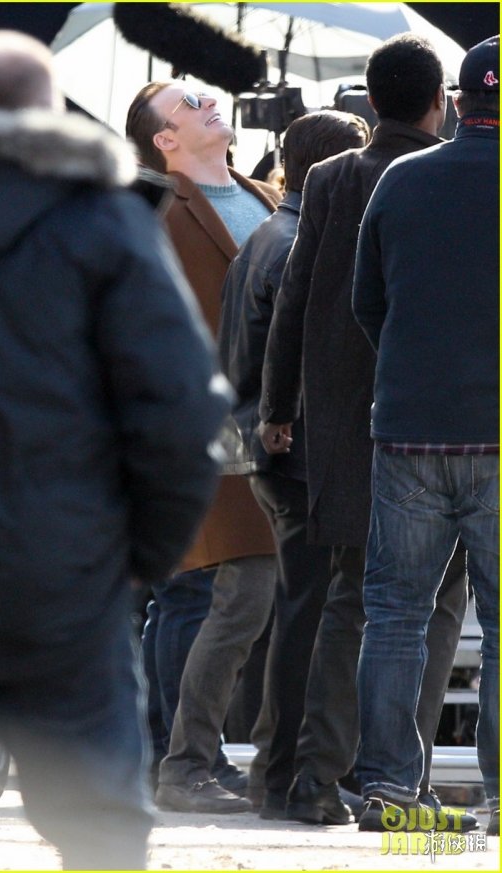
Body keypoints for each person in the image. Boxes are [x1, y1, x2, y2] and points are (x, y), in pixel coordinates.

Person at [0, 31, 231, 870]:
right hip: (62, 566)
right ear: (49, 111)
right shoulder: (102, 221)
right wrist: (141, 553)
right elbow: (179, 407)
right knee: (99, 824)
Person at [259, 34, 475, 829]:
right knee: (436, 609)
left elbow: (297, 299)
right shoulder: (454, 176)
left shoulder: (332, 178)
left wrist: (277, 408)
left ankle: (317, 780)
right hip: (447, 420)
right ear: (440, 100)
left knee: (353, 603)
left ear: (373, 101)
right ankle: (402, 788)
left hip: (348, 422)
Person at [352, 35, 499, 835]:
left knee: (396, 615)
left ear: (459, 100)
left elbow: (367, 302)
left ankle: (387, 788)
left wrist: (415, 372)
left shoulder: (403, 178)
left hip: (411, 428)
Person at [126, 82, 280, 814]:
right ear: (164, 139)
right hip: (192, 416)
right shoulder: (152, 204)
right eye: (188, 103)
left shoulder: (267, 197)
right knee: (194, 585)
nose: (209, 101)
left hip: (274, 419)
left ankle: (180, 756)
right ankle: (181, 759)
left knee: (224, 589)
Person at [218, 110, 370, 814]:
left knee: (296, 613)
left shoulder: (267, 234)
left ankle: (277, 773)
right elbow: (301, 353)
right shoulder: (296, 242)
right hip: (297, 447)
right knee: (309, 618)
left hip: (266, 443)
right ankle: (284, 774)